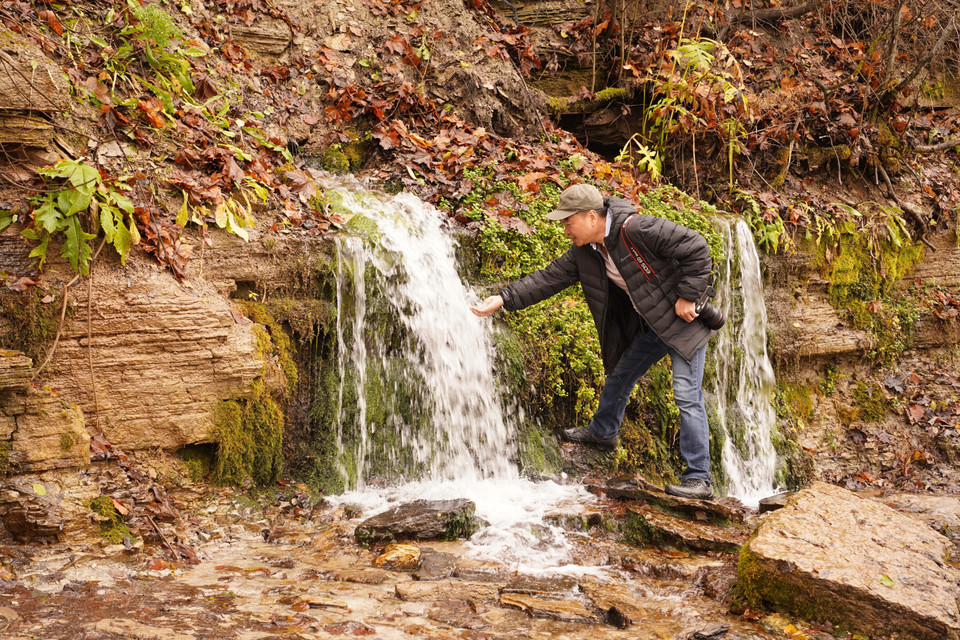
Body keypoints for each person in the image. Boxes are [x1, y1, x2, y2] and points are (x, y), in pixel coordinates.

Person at [470, 183, 719, 500]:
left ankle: (699, 479)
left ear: (591, 216)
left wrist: (687, 296)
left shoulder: (637, 228)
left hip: (684, 324)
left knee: (686, 395)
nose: (565, 230)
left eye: (567, 222)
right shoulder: (585, 253)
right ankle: (603, 432)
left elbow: (695, 247)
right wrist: (503, 298)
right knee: (621, 375)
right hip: (653, 326)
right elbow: (547, 279)